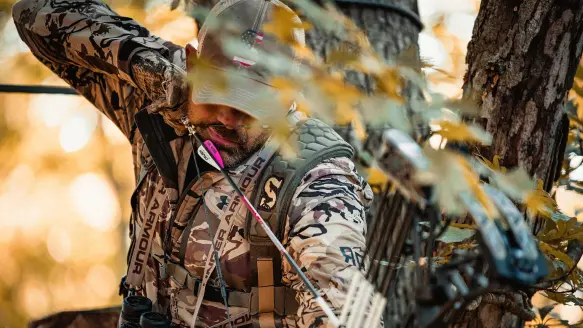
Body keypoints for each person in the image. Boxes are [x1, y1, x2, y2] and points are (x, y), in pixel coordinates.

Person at [13, 0, 373, 327]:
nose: (227, 118)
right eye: (217, 92)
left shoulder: (320, 184)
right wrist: (147, 64)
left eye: (250, 106)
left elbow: (345, 314)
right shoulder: (159, 104)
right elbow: (33, 14)